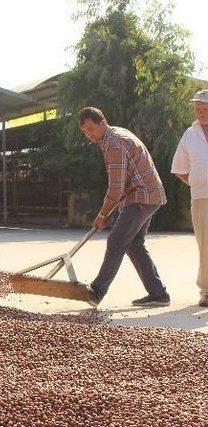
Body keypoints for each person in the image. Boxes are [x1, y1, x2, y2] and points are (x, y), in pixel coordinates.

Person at [78, 107, 169, 307]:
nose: (89, 135)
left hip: (142, 197)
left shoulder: (114, 143)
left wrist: (103, 214)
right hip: (148, 195)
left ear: (102, 123)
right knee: (134, 243)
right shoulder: (113, 135)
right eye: (85, 132)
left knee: (116, 240)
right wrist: (108, 212)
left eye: (91, 129)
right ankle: (159, 294)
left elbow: (116, 187)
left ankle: (96, 291)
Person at [171, 89, 208, 307]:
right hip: (201, 198)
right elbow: (180, 169)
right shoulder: (190, 134)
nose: (201, 112)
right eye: (198, 109)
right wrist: (197, 182)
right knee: (205, 245)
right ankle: (206, 291)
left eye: (205, 108)